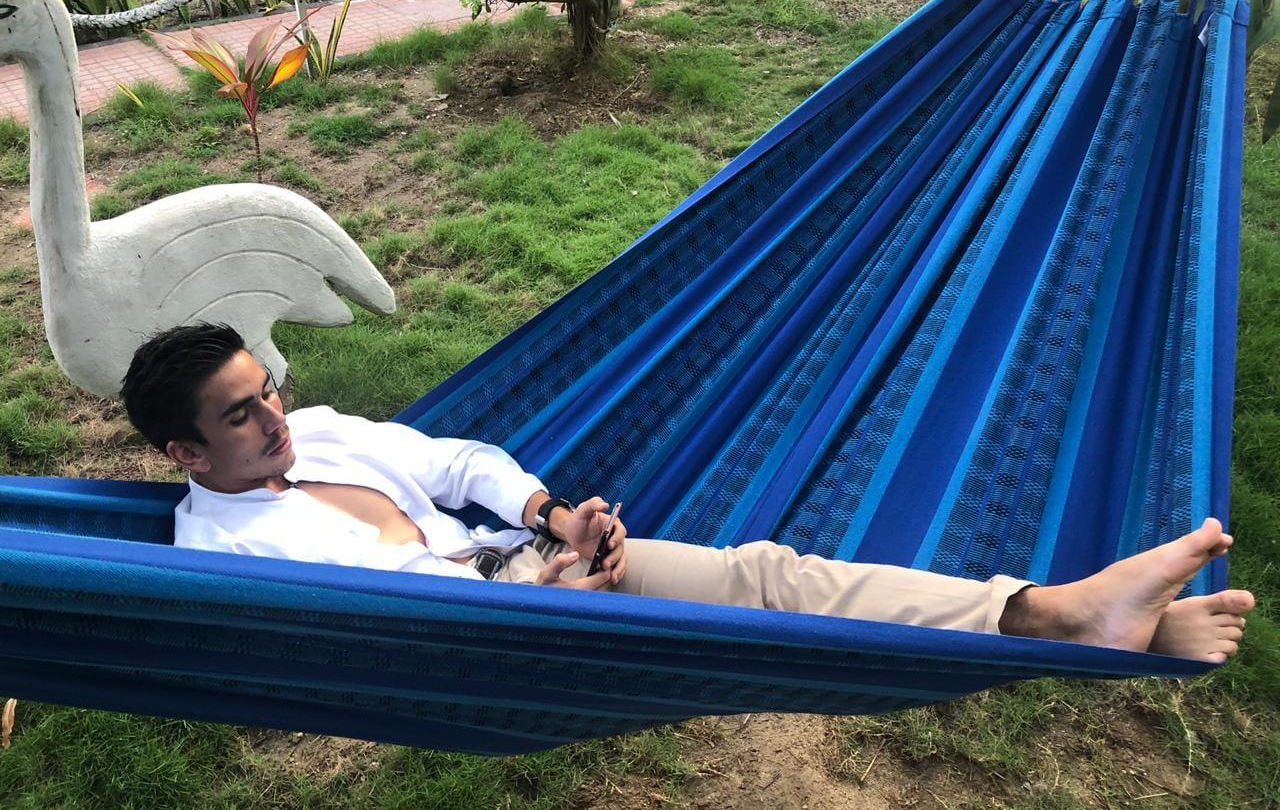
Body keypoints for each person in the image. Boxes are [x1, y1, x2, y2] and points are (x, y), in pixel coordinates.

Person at [120, 324, 1254, 664]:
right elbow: (375, 616)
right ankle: (1086, 625)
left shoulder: (315, 431)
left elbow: (456, 464)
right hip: (474, 629)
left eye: (268, 393)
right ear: (185, 451)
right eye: (241, 415)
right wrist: (545, 588)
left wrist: (551, 520)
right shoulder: (220, 542)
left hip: (528, 571)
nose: (275, 418)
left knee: (768, 574)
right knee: (761, 627)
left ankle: (1054, 613)